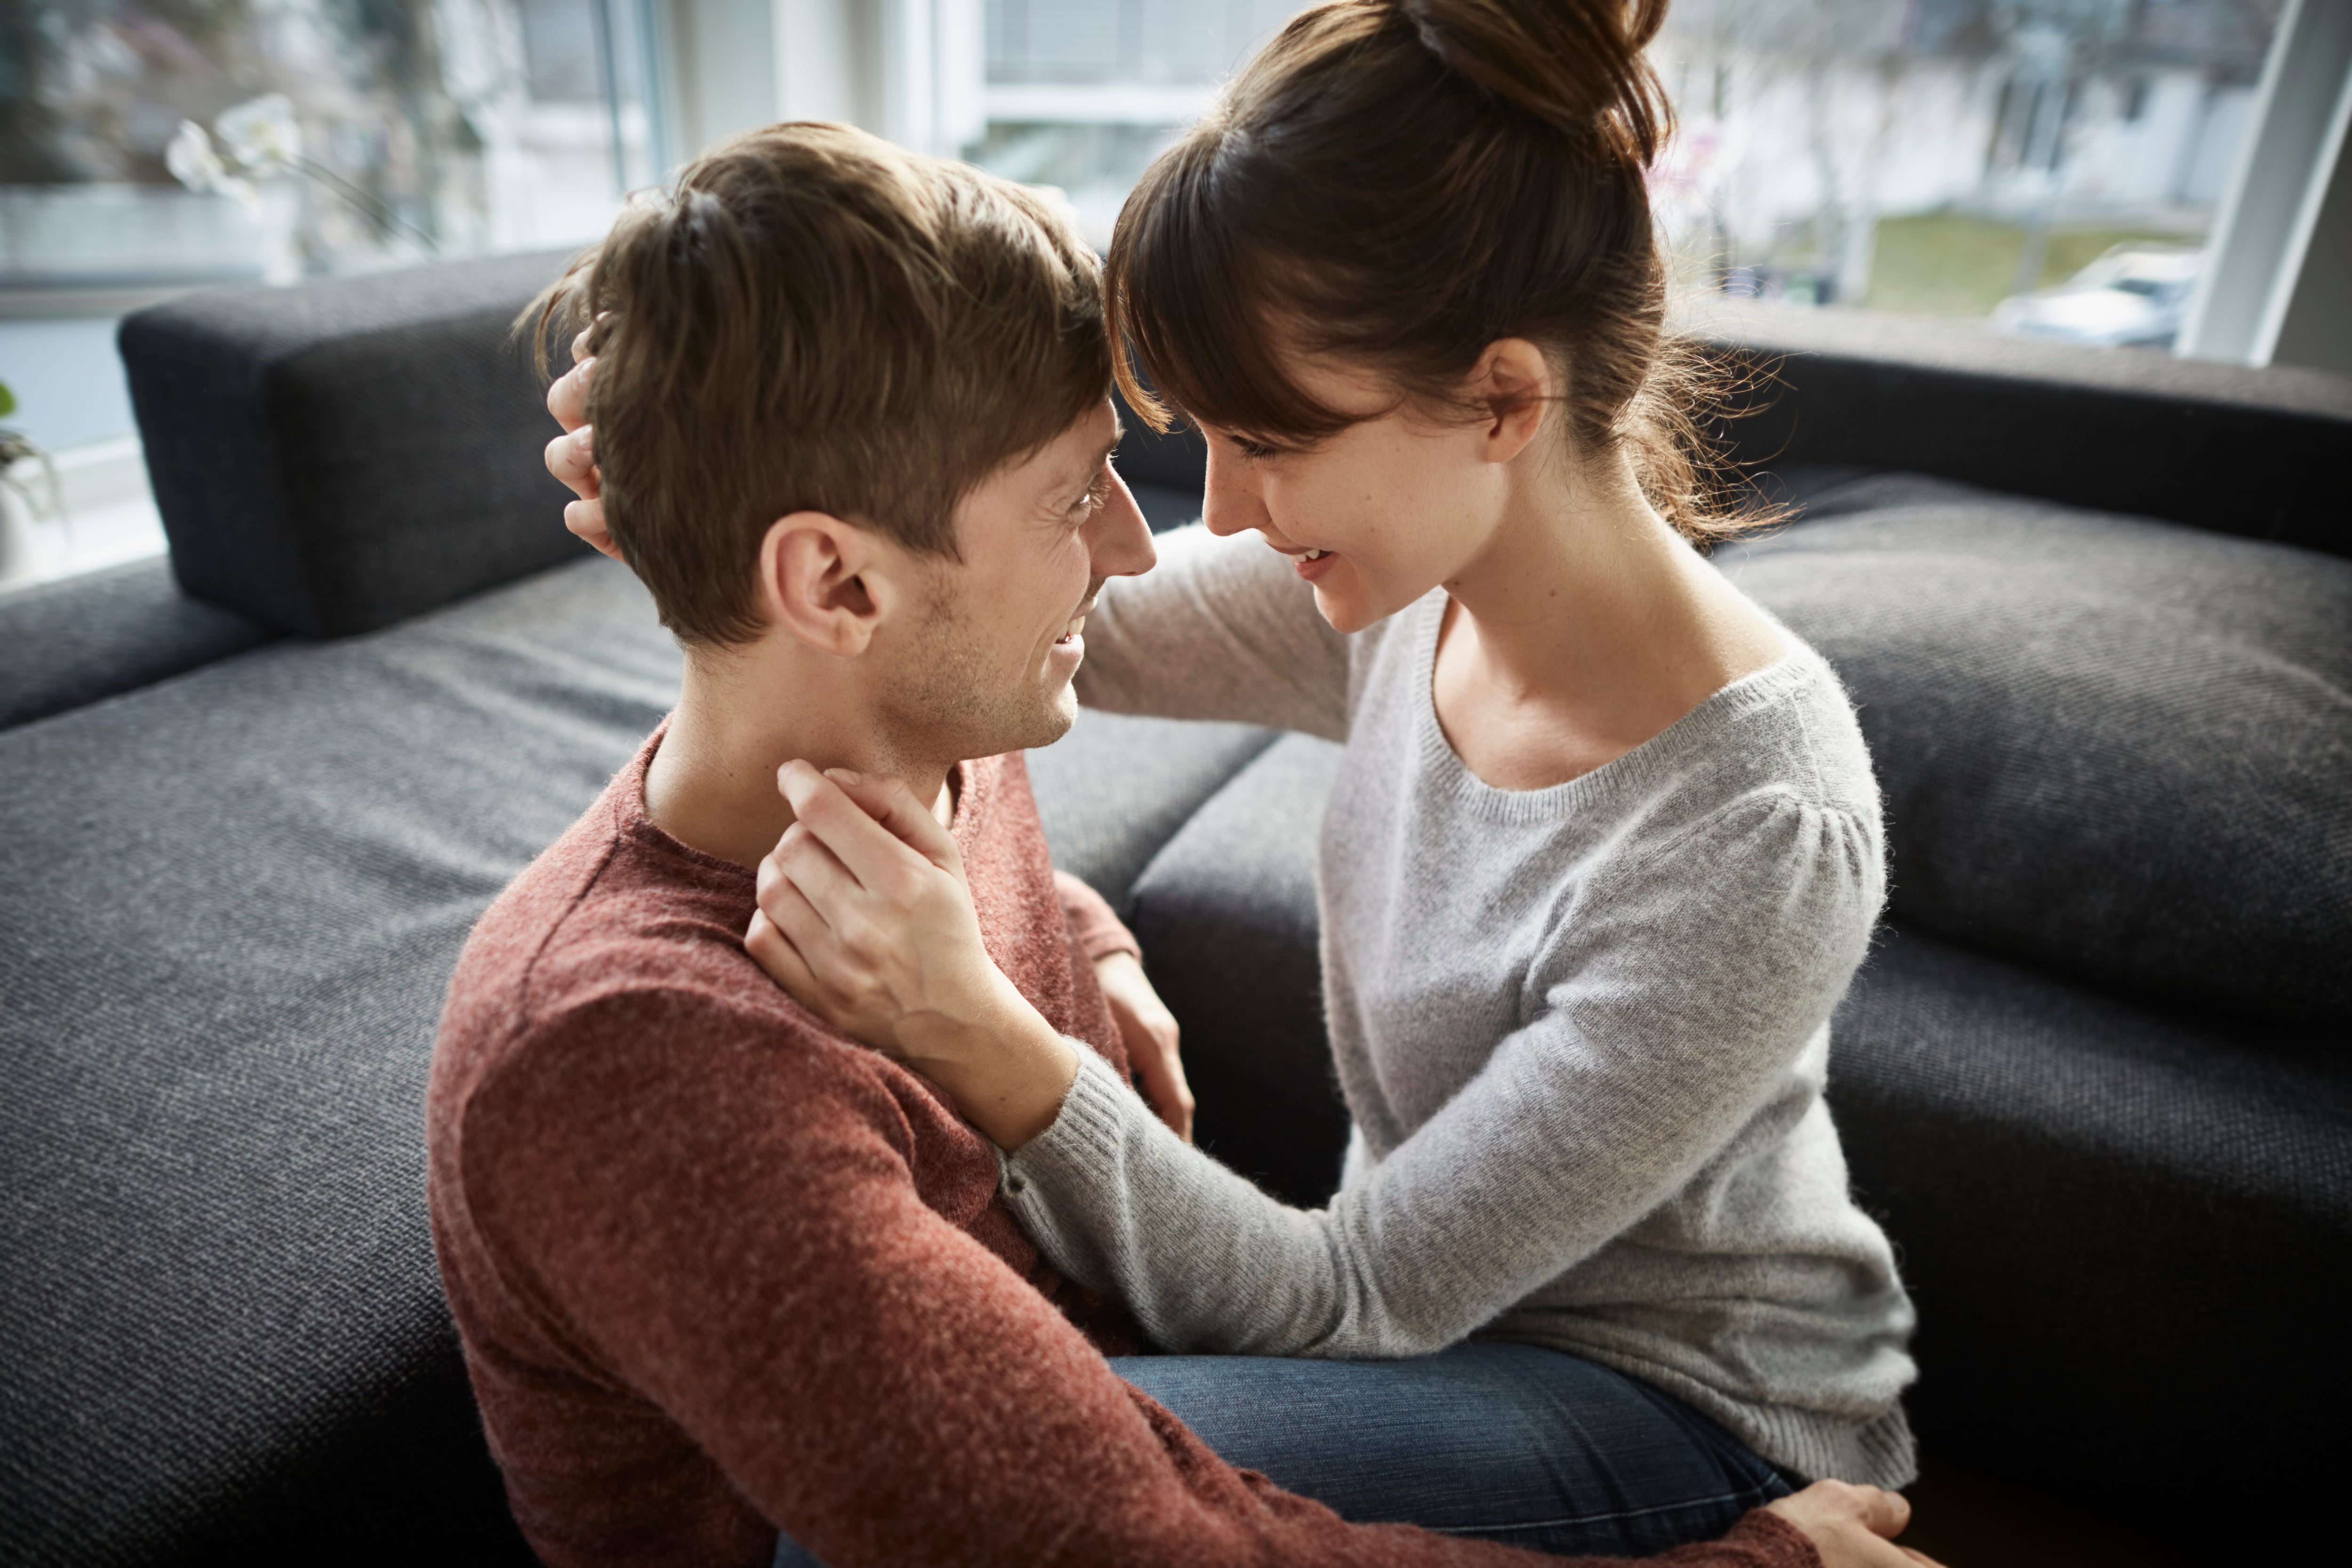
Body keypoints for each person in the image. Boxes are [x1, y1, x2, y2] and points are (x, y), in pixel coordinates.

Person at [457, 118, 1937, 1568]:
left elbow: (1335, 1308)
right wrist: (700, 468)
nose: (1162, 534)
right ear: (838, 582)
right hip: (1425, 1311)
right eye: (1083, 491)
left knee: (1038, 1454)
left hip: (1671, 1388)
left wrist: (1006, 1009)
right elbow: (978, 634)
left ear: (1500, 404)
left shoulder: (1751, 816)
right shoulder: (683, 999)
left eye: (1264, 437)